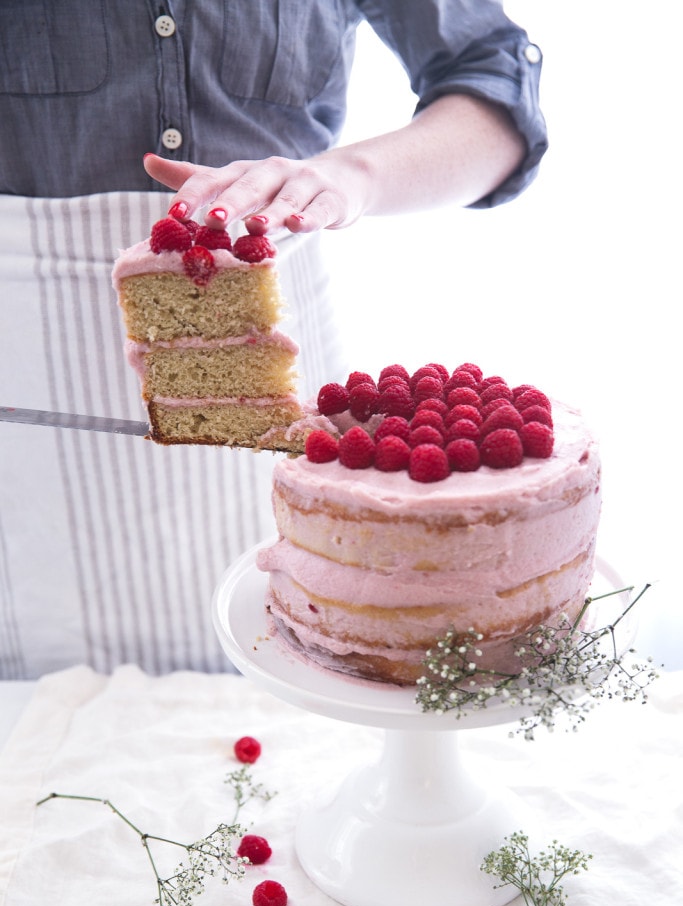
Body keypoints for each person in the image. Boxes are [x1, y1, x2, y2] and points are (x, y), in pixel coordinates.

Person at [0, 1, 547, 680]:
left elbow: (491, 77)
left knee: (314, 668)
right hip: (24, 376)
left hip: (274, 340)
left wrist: (353, 176)